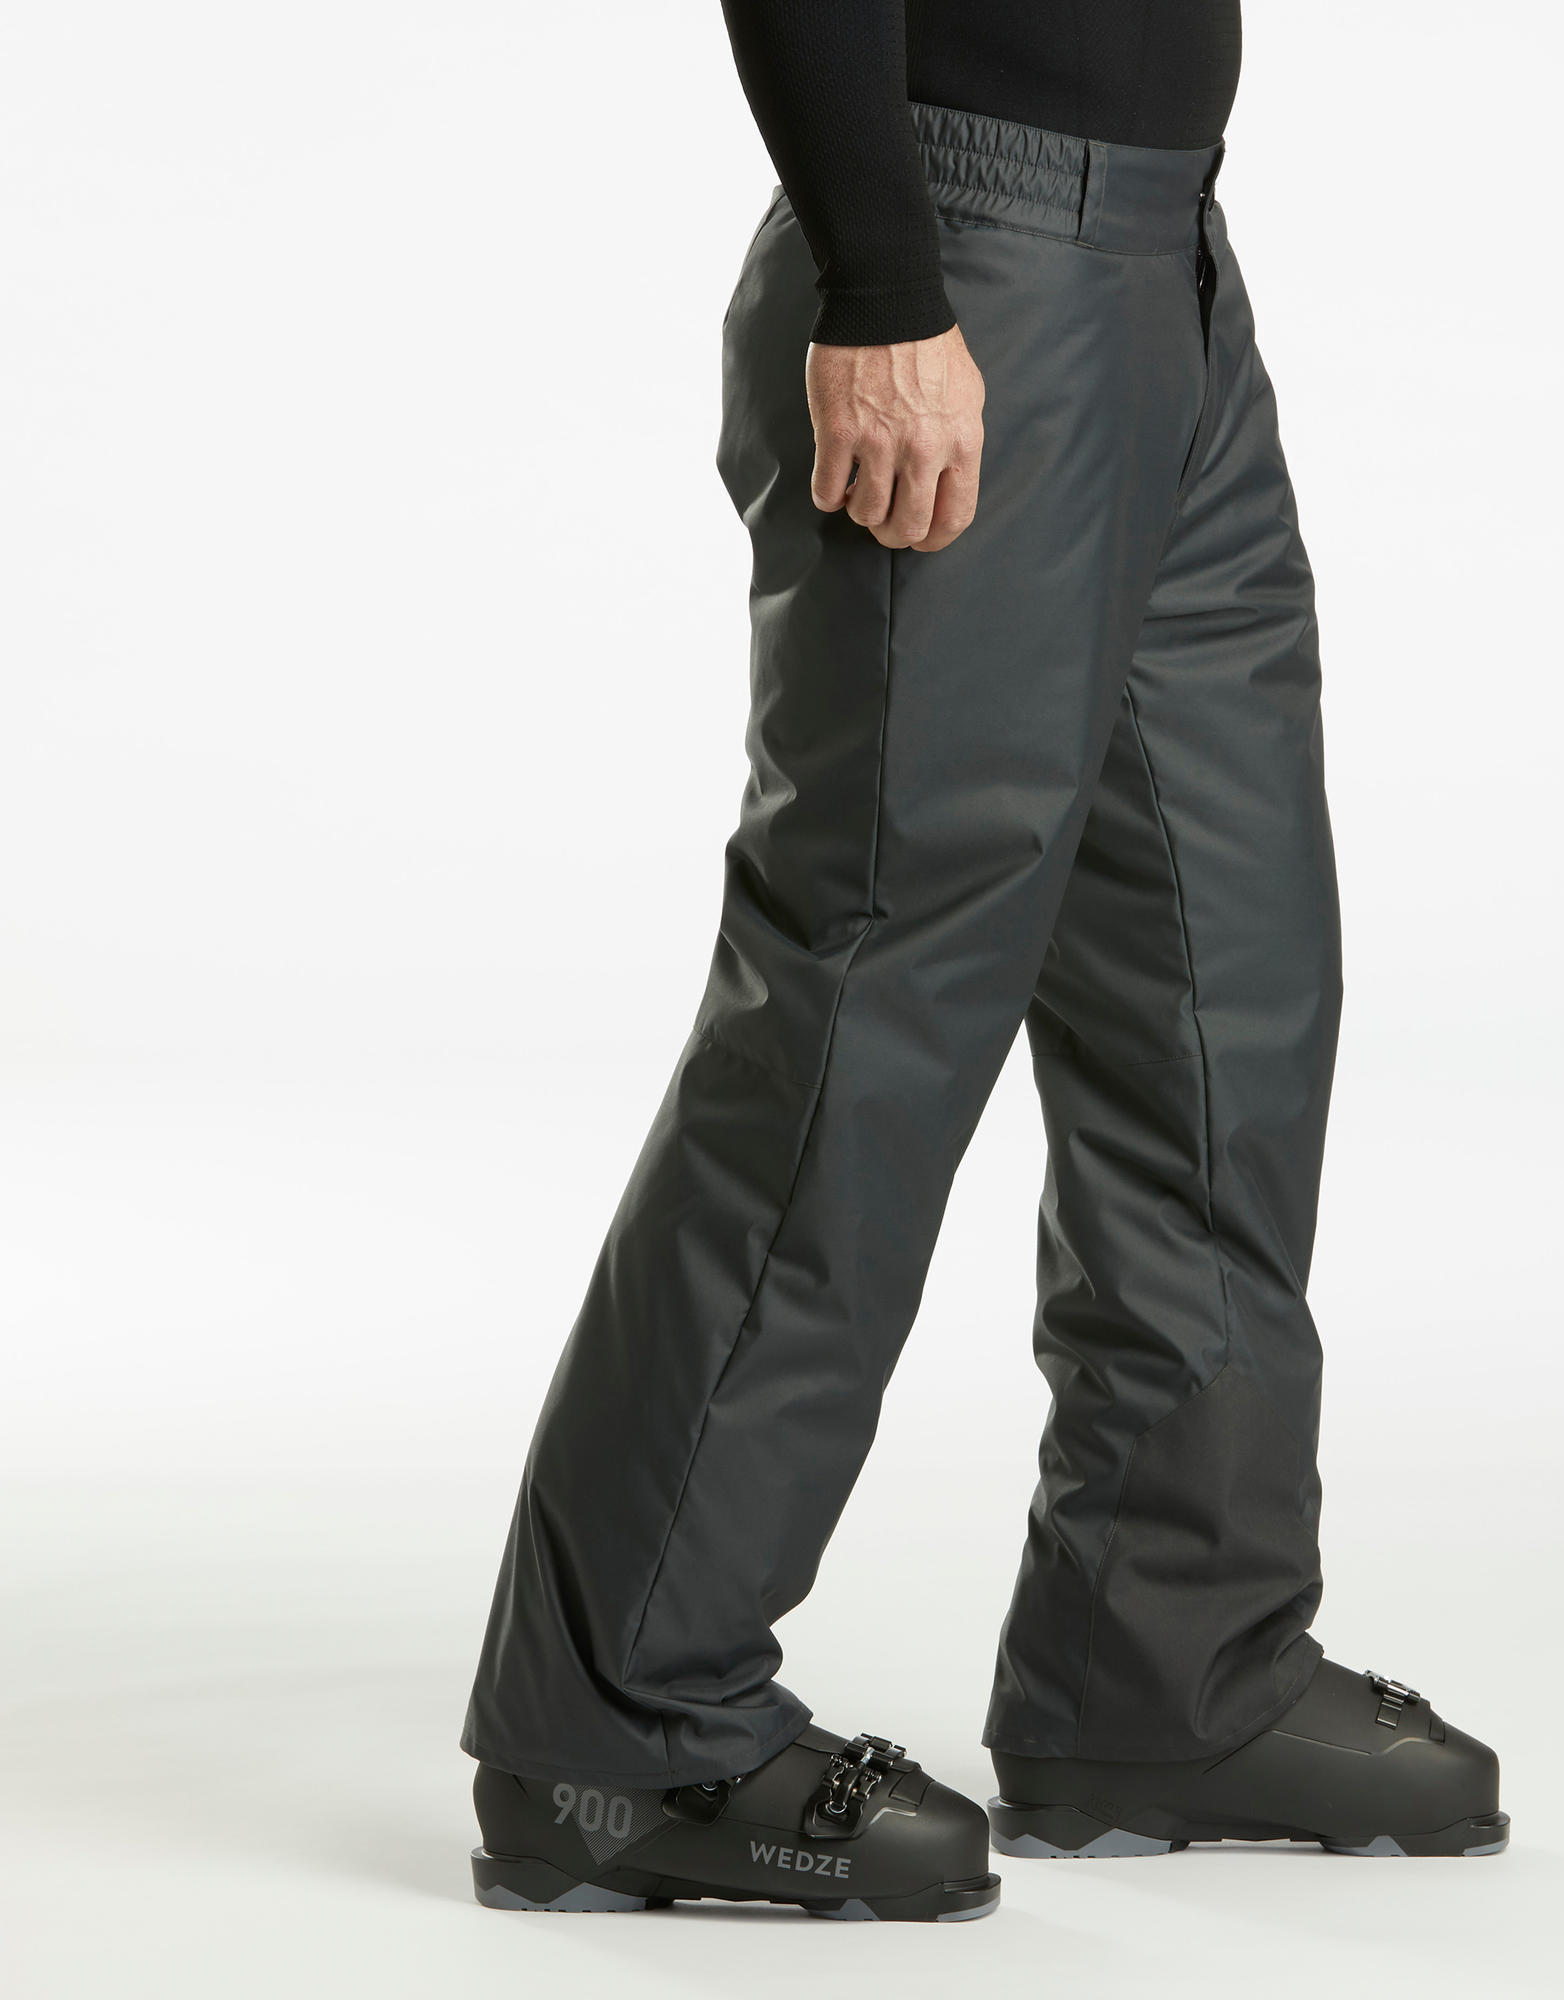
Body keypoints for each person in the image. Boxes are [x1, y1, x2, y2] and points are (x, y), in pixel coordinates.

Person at [462, 2, 1507, 1923]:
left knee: (1228, 980)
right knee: (867, 1007)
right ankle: (619, 1726)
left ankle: (1167, 1670)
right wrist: (881, 278)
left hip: (1171, 269)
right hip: (962, 264)